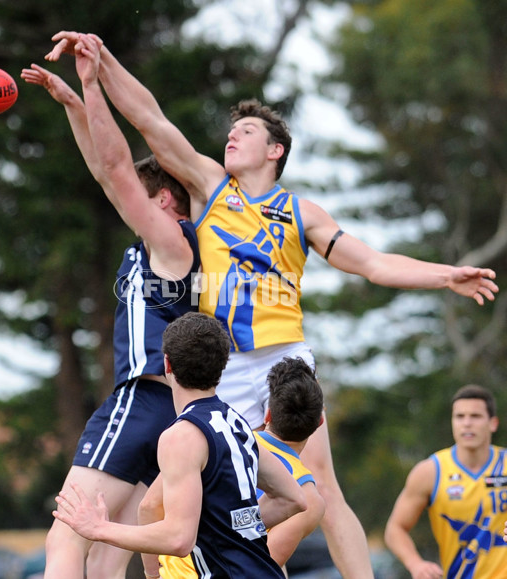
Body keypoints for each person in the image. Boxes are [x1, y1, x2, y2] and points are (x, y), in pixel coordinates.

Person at [45, 32, 499, 579]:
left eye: (246, 131)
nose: (231, 136)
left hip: (285, 360)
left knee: (320, 489)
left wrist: (445, 274)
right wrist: (101, 60)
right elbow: (150, 119)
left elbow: (373, 263)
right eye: (231, 130)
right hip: (227, 368)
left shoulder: (300, 212)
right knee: (158, 500)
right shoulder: (211, 188)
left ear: (274, 150)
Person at [21, 34, 201, 579]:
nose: (125, 203)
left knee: (65, 537)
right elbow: (107, 172)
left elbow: (119, 170)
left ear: (164, 199)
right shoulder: (156, 247)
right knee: (103, 559)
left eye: (140, 198)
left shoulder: (172, 243)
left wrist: (92, 84)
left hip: (142, 400)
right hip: (167, 415)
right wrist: (77, 108)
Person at [53, 311, 308, 579]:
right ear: (222, 368)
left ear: (167, 365)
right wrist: (231, 529)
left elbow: (178, 539)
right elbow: (293, 498)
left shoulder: (182, 435)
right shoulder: (237, 423)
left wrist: (99, 528)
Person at [144, 355, 326, 578]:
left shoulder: (223, 437)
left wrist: (153, 574)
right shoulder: (308, 497)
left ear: (267, 413)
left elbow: (150, 506)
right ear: (319, 423)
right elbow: (264, 560)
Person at [384, 384, 507, 579]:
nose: (466, 423)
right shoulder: (430, 472)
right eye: (459, 416)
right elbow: (394, 529)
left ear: (493, 423)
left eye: (475, 416)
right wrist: (416, 564)